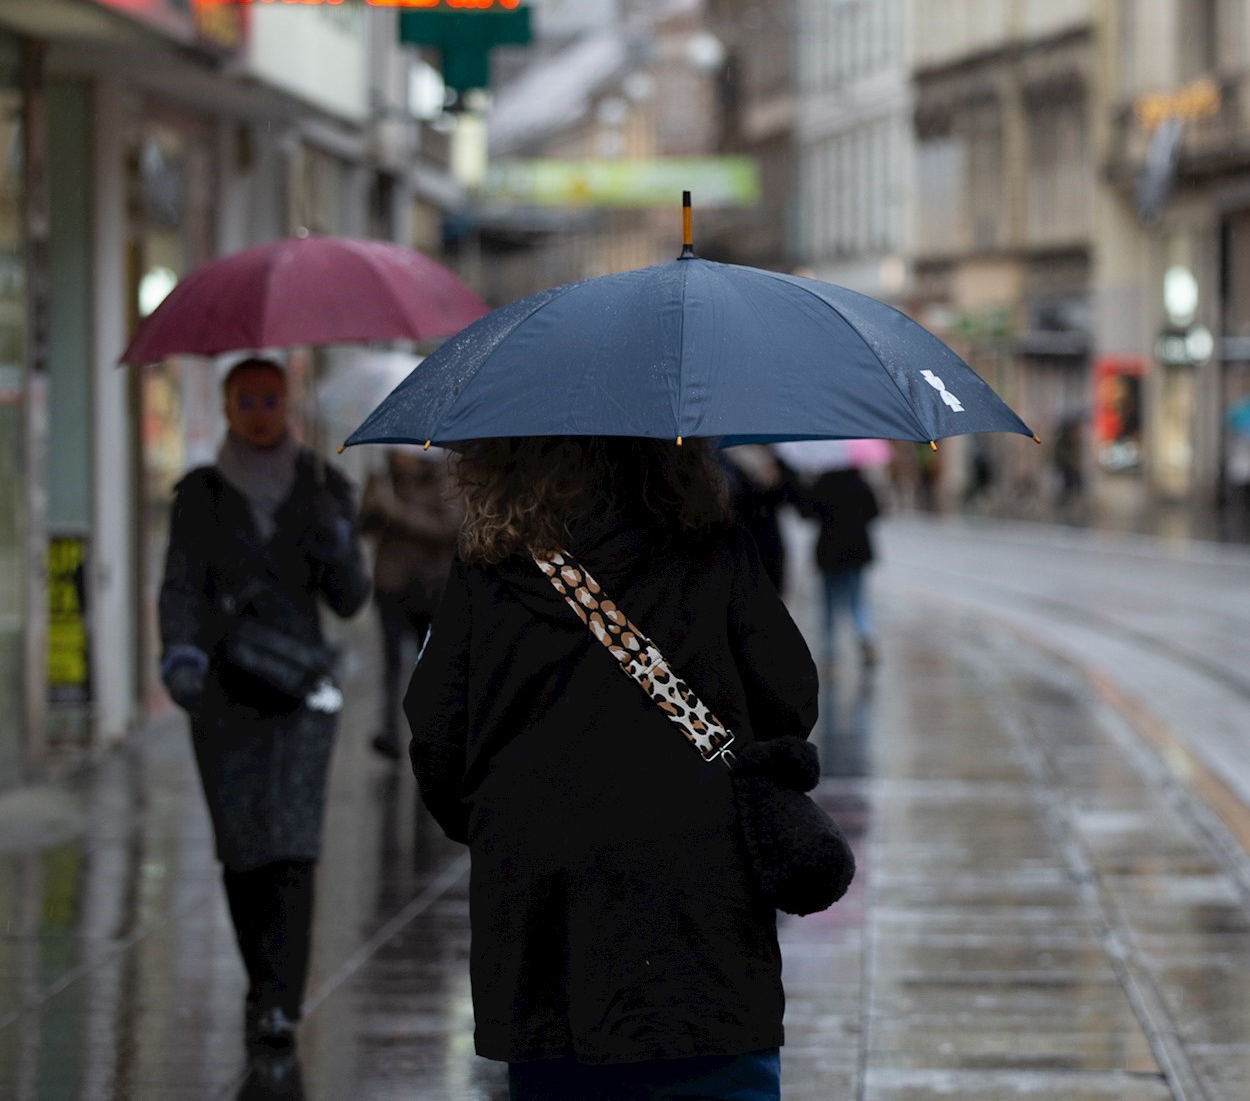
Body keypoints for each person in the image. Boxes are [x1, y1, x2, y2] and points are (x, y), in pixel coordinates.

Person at [404, 437, 816, 1100]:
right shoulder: (712, 546)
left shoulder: (491, 566)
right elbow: (790, 695)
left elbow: (437, 737)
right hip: (699, 897)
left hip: (544, 913)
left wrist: (506, 822)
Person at [158, 357, 370, 1048]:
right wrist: (181, 655)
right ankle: (259, 981)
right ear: (225, 406)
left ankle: (282, 1000)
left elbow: (350, 598)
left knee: (293, 846)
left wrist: (338, 539)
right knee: (243, 849)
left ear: (289, 404)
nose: (258, 410)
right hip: (223, 694)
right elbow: (181, 584)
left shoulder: (321, 482)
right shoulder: (200, 493)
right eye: (245, 398)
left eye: (270, 398)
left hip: (300, 695)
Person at [360, 448, 462, 759]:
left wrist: (397, 511)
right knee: (391, 664)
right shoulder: (383, 478)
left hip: (428, 586)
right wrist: (372, 504)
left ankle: (429, 733)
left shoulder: (444, 477)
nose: (401, 456)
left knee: (427, 665)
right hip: (389, 584)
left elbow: (450, 527)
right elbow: (363, 527)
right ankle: (390, 732)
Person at [799, 466, 882, 668]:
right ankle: (865, 634)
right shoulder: (861, 484)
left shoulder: (822, 484)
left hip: (830, 552)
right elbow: (875, 512)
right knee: (857, 601)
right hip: (856, 551)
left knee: (829, 605)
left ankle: (829, 652)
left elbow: (807, 513)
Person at [722, 445, 794, 593]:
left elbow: (790, 495)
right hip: (743, 541)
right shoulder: (729, 459)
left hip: (770, 542)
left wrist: (774, 481)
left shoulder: (774, 459)